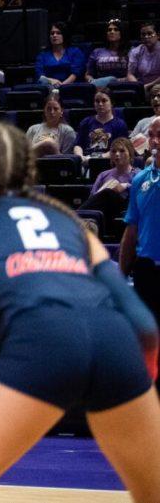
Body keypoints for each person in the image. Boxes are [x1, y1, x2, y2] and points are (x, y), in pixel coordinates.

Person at [0, 122, 159, 502]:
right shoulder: (71, 222)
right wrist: (141, 385)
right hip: (116, 344)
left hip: (45, 343)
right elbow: (143, 323)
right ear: (29, 170)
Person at [121, 118, 160, 356]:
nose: (155, 140)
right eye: (152, 135)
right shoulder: (140, 180)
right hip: (147, 272)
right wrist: (121, 278)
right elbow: (131, 231)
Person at [79, 138, 138, 240]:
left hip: (126, 208)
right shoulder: (104, 174)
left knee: (107, 193)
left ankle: (74, 216)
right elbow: (93, 197)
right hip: (105, 210)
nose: (117, 154)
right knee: (106, 193)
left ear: (130, 153)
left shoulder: (138, 174)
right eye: (114, 151)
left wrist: (126, 186)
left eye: (122, 151)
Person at [74, 88, 129, 159]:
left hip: (109, 161)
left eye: (104, 101)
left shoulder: (120, 124)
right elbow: (78, 145)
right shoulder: (86, 122)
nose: (100, 104)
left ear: (112, 103)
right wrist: (81, 157)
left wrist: (98, 158)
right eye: (97, 101)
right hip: (87, 160)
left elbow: (120, 148)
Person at [35, 21, 84, 87]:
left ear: (65, 35)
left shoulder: (75, 52)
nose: (54, 35)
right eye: (52, 33)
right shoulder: (43, 54)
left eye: (58, 33)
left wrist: (61, 86)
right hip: (48, 88)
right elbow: (40, 75)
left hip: (71, 87)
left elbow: (75, 74)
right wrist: (51, 81)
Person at [86, 19, 131, 86]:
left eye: (116, 29)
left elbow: (135, 74)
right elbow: (88, 74)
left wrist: (116, 81)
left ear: (122, 33)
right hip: (101, 87)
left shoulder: (130, 51)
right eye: (109, 30)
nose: (112, 32)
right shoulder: (97, 52)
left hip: (124, 86)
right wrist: (93, 82)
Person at [127, 22, 160, 91]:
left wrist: (148, 86)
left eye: (149, 33)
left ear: (158, 35)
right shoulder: (136, 51)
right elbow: (130, 74)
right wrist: (138, 86)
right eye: (143, 34)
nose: (146, 37)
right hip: (141, 86)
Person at [130, 84, 160, 156]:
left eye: (159, 96)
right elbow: (129, 145)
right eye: (153, 97)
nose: (155, 99)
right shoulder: (143, 122)